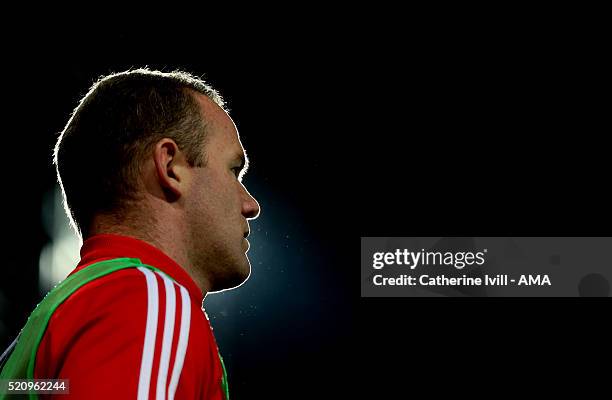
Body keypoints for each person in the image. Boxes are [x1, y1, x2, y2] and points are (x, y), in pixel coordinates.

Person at [0, 68, 260, 399]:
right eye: (234, 171)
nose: (251, 205)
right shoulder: (145, 299)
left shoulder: (53, 320)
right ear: (170, 167)